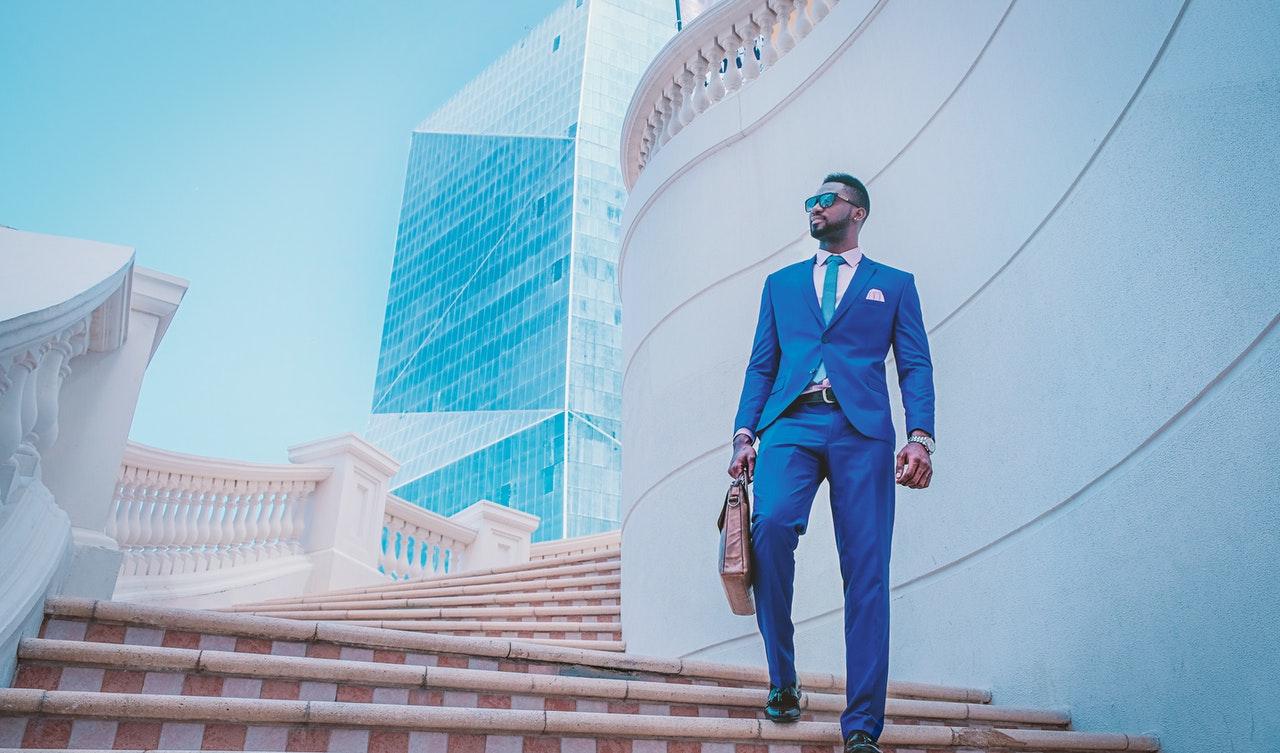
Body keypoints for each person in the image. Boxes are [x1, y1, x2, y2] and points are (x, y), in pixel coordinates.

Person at [727, 173, 936, 753]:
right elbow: (760, 365)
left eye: (827, 200)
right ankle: (783, 680)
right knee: (768, 529)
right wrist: (745, 432)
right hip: (790, 423)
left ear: (858, 212)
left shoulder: (893, 285)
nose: (815, 209)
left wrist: (921, 435)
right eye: (810, 202)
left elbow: (914, 365)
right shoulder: (782, 285)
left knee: (866, 569)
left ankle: (863, 725)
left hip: (862, 431)